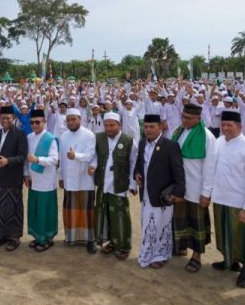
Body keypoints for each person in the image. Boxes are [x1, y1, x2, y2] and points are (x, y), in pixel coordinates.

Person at [210, 110, 245, 288]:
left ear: (239, 127)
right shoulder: (218, 142)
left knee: (244, 238)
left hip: (239, 202)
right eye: (223, 125)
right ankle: (230, 261)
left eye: (229, 125)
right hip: (220, 198)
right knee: (224, 232)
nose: (225, 128)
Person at [133, 113, 185, 268]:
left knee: (162, 225)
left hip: (163, 195)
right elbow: (139, 163)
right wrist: (136, 174)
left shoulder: (170, 145)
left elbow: (178, 172)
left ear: (160, 126)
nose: (148, 130)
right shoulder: (142, 143)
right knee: (148, 225)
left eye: (152, 127)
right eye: (146, 127)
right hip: (146, 193)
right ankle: (147, 254)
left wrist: (178, 193)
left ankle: (160, 255)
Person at [171, 103, 217, 272]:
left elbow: (210, 168)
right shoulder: (178, 131)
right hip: (180, 187)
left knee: (196, 223)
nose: (184, 121)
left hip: (196, 189)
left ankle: (196, 256)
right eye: (183, 117)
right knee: (180, 219)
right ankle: (181, 247)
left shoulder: (207, 137)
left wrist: (206, 193)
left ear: (199, 118)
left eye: (189, 118)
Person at [91, 112, 138, 260]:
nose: (109, 128)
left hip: (120, 185)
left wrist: (133, 184)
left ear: (119, 125)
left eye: (112, 125)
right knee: (106, 215)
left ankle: (123, 246)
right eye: (106, 125)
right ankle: (111, 242)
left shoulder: (129, 141)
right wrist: (92, 166)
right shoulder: (99, 138)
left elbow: (133, 164)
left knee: (120, 216)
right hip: (103, 183)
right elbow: (94, 157)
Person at [0, 105, 29, 251]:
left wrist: (8, 161)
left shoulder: (20, 134)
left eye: (8, 118)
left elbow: (22, 156)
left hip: (12, 178)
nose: (5, 120)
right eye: (3, 118)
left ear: (13, 119)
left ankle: (14, 237)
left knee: (13, 209)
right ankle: (0, 236)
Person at [59, 108, 98, 252]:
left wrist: (75, 156)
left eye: (73, 119)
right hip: (69, 180)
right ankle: (71, 238)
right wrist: (61, 177)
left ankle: (90, 240)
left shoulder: (89, 135)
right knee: (71, 211)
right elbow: (62, 158)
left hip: (84, 179)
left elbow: (89, 155)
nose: (71, 122)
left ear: (80, 119)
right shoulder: (63, 136)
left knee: (87, 211)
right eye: (68, 120)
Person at [25, 109, 60, 252]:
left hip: (46, 181)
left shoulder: (50, 138)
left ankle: (47, 238)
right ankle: (37, 236)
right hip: (34, 180)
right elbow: (27, 160)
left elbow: (54, 159)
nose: (34, 125)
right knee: (35, 209)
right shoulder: (29, 137)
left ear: (44, 122)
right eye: (32, 122)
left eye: (37, 122)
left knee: (46, 211)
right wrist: (26, 175)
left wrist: (38, 160)